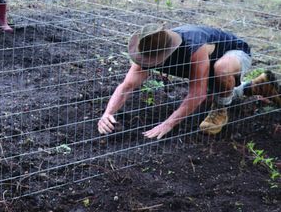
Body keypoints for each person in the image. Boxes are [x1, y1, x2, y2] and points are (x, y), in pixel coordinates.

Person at [98, 24, 280, 139]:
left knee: (221, 70)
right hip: (207, 67)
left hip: (234, 54)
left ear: (165, 53)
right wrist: (107, 113)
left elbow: (197, 93)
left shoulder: (194, 47)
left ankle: (221, 108)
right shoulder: (150, 50)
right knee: (213, 80)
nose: (148, 64)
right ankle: (257, 86)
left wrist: (168, 123)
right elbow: (127, 86)